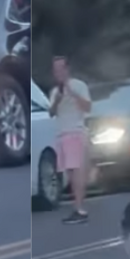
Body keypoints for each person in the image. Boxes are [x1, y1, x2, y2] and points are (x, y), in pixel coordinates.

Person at [49, 56, 92, 225]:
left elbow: (87, 107)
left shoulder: (79, 85)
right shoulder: (54, 91)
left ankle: (80, 209)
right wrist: (59, 98)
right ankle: (77, 207)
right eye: (55, 70)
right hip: (62, 134)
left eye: (60, 69)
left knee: (77, 173)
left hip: (76, 132)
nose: (58, 73)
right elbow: (52, 113)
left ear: (67, 69)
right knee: (70, 174)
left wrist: (72, 93)